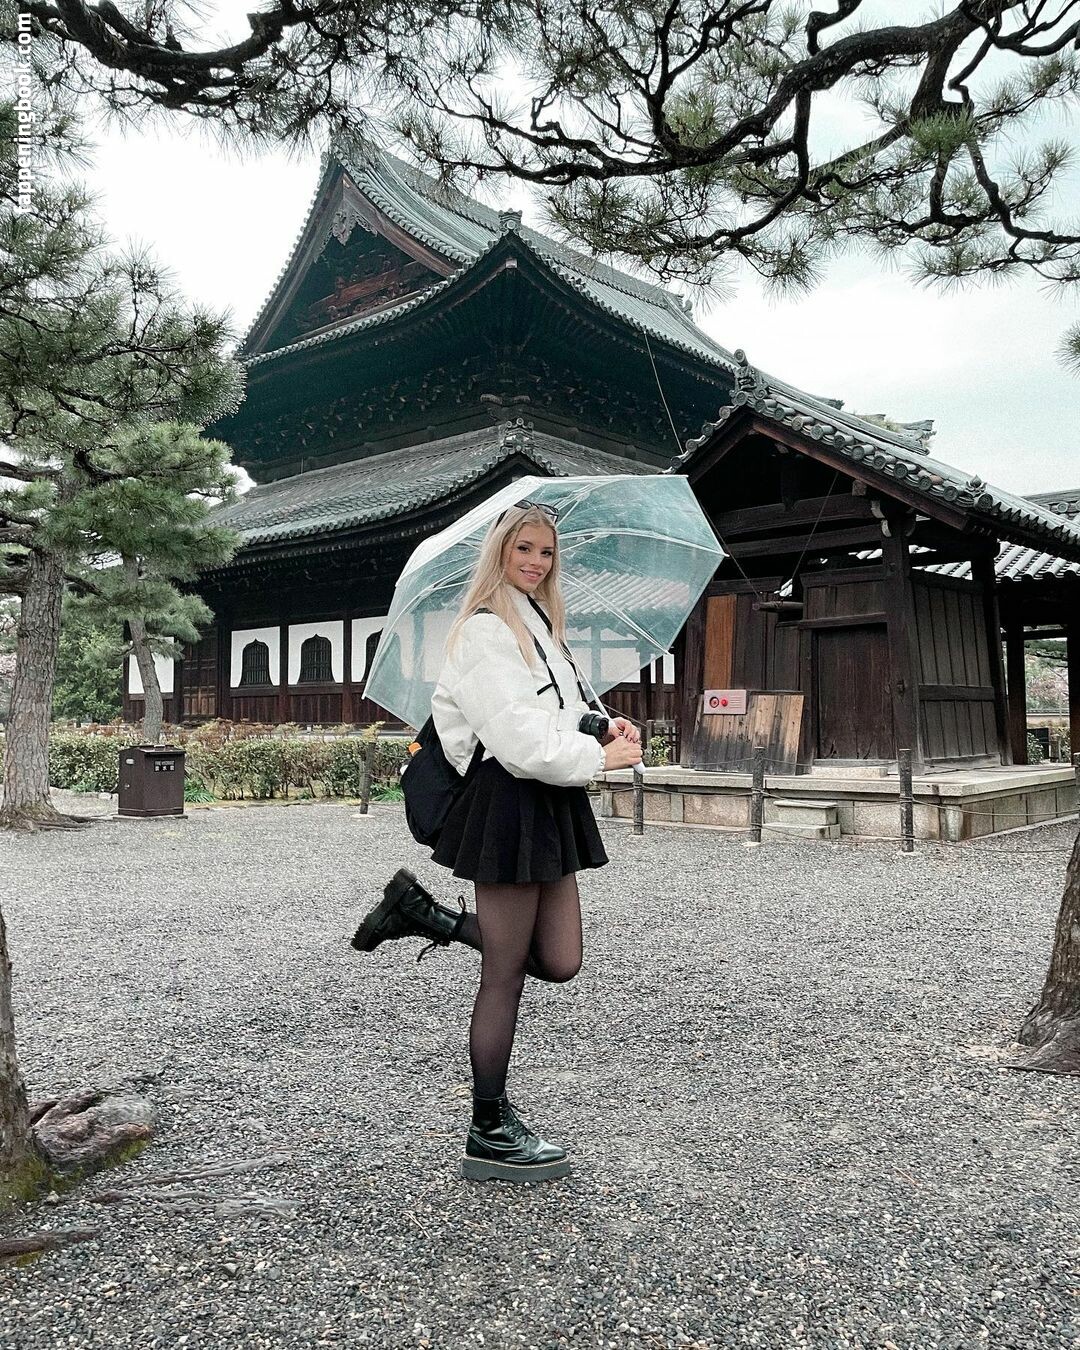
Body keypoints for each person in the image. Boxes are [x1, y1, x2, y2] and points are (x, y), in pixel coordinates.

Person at [351, 501, 643, 1183]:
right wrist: (600, 759)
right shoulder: (484, 630)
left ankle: (427, 917)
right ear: (500, 554)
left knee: (561, 959)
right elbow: (514, 737)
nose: (537, 562)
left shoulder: (540, 623)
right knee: (505, 972)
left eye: (546, 552)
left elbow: (550, 708)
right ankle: (488, 1127)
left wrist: (599, 725)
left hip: (547, 797)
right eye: (524, 549)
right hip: (508, 800)